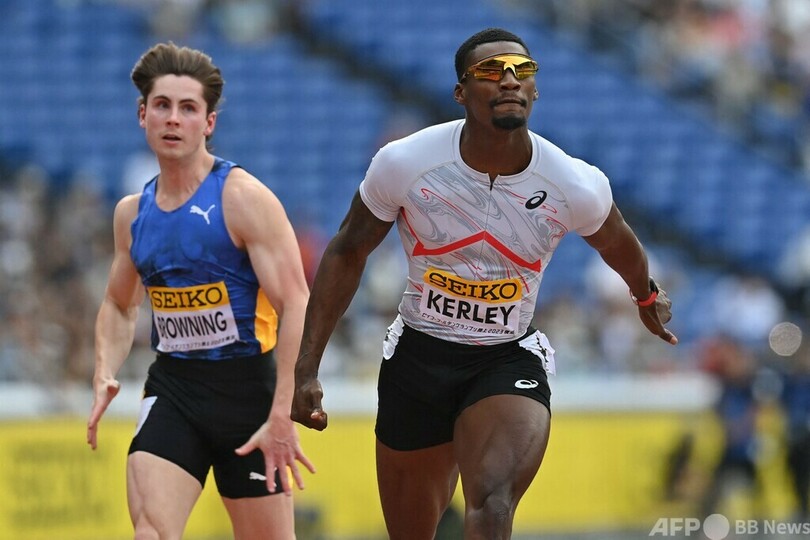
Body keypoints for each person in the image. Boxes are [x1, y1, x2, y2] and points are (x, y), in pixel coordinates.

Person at [292, 27, 677, 539]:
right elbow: (347, 251)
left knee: (493, 503)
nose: (510, 80)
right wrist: (306, 368)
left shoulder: (573, 183)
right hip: (418, 358)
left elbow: (618, 244)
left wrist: (645, 294)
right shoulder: (406, 163)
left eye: (522, 71)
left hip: (505, 357)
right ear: (461, 92)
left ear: (535, 89)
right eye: (491, 72)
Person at [86, 42, 314, 540]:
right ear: (143, 115)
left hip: (250, 397)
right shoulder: (132, 214)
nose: (173, 119)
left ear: (208, 123)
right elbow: (119, 304)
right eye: (162, 105)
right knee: (151, 531)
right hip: (175, 389)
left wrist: (283, 411)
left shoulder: (243, 199)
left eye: (188, 108)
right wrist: (104, 369)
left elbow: (296, 302)